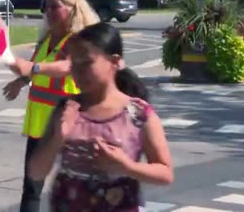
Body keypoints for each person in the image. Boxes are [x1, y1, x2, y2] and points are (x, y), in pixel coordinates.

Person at [28, 23, 173, 211]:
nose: (78, 72)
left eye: (87, 63)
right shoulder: (67, 110)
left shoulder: (138, 114)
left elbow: (165, 173)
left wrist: (126, 166)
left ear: (114, 61)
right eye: (74, 64)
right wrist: (57, 138)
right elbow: (36, 172)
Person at [2, 0, 100, 212]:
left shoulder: (79, 40)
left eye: (55, 6)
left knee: (75, 187)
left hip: (69, 124)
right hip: (40, 124)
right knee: (31, 187)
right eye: (46, 6)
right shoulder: (47, 38)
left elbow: (66, 66)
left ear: (73, 9)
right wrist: (18, 76)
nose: (48, 11)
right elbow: (32, 70)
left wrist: (32, 68)